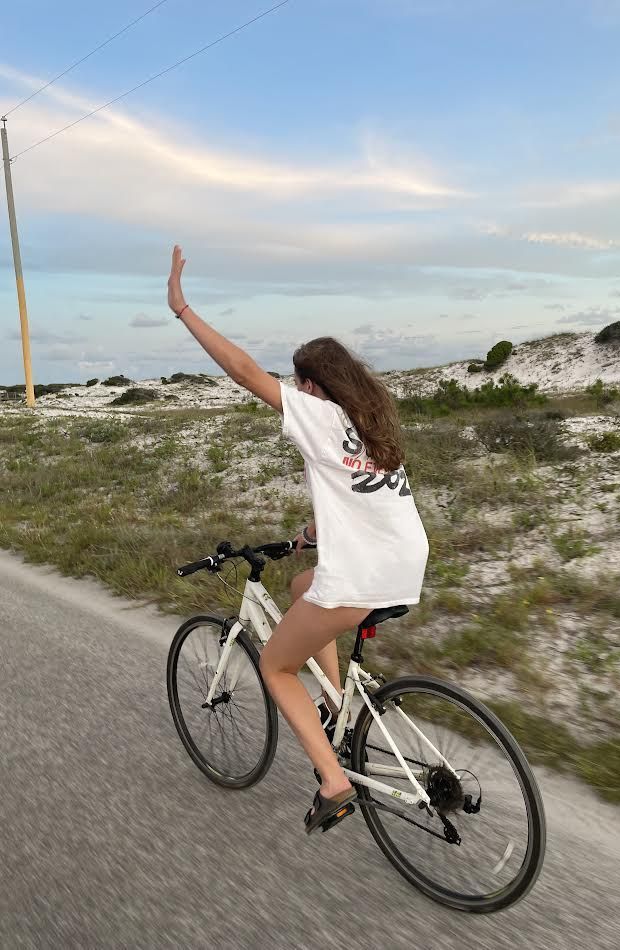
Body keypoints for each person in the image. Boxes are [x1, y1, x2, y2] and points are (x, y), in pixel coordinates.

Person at [167, 246, 429, 834]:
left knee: (276, 666)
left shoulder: (319, 414)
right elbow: (364, 495)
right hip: (403, 564)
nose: (294, 391)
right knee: (303, 584)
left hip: (360, 576)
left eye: (298, 383)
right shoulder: (369, 424)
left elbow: (241, 370)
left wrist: (183, 309)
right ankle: (337, 704)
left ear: (314, 385)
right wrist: (312, 533)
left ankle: (334, 783)